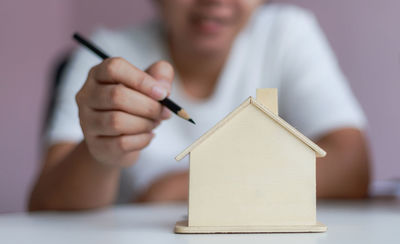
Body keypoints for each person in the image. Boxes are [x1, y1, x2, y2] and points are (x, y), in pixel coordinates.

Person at [29, 0, 370, 211]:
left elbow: (351, 167)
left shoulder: (287, 33)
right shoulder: (105, 54)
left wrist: (175, 190)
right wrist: (100, 152)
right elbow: (46, 210)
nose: (216, 1)